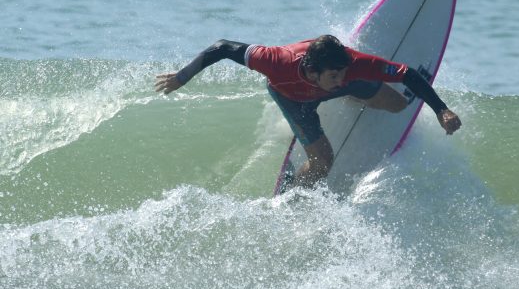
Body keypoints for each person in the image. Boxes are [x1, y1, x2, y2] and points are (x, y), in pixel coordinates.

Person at [155, 35, 461, 189]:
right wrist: (182, 77)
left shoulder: (351, 67)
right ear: (313, 71)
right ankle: (294, 197)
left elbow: (406, 73)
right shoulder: (276, 60)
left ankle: (355, 97)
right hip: (293, 99)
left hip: (337, 90)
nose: (342, 77)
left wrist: (441, 110)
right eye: (334, 75)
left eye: (343, 72)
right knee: (322, 162)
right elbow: (221, 47)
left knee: (397, 104)